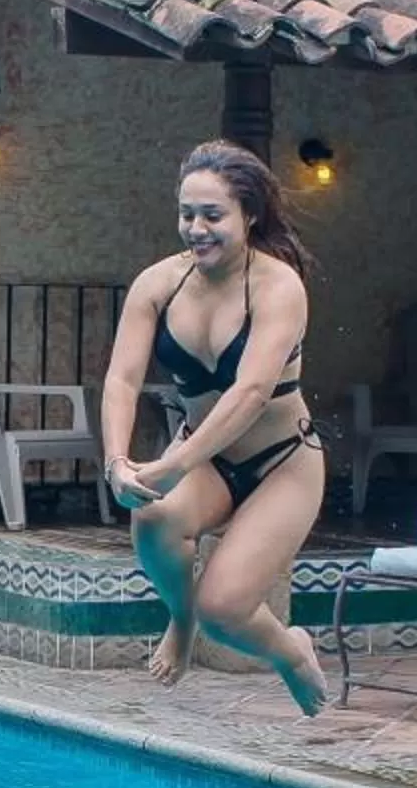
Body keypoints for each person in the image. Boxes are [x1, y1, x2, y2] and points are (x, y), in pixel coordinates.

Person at [100, 140, 332, 714]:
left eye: (212, 215)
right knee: (151, 517)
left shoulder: (278, 288)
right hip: (206, 458)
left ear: (249, 215)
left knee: (227, 611)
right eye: (187, 214)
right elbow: (122, 380)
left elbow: (251, 393)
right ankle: (180, 618)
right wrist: (117, 461)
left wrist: (172, 464)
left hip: (282, 462)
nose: (196, 229)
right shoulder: (158, 285)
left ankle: (291, 650)